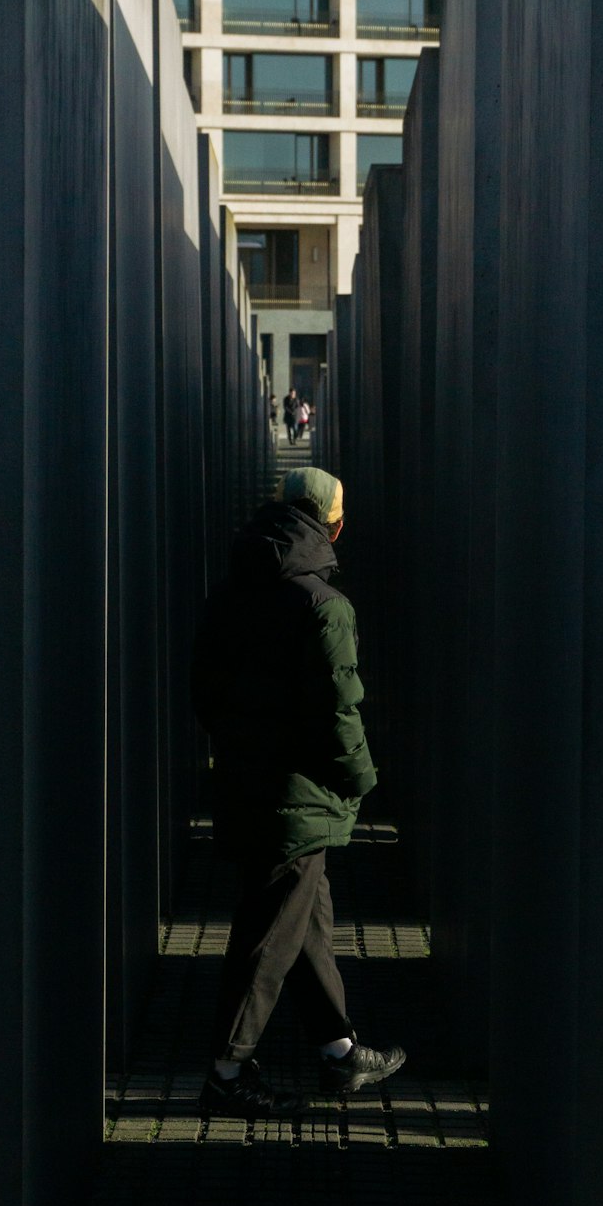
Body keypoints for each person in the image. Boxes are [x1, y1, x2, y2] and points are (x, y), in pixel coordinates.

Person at [191, 467, 406, 1117]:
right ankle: (227, 1071)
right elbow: (341, 711)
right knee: (267, 939)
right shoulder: (325, 606)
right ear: (333, 524)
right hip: (300, 797)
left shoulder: (228, 593)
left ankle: (339, 1053)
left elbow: (204, 692)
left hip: (245, 783)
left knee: (306, 921)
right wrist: (362, 780)